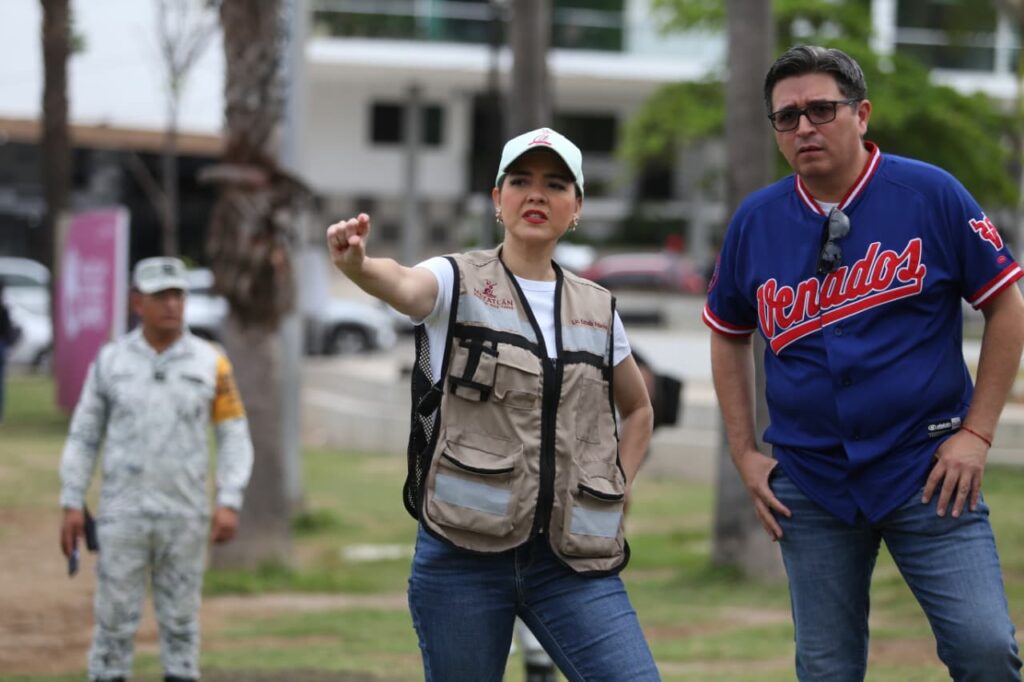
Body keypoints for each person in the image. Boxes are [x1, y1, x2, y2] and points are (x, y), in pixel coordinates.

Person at [704, 44, 1024, 680]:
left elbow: (1007, 306)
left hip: (928, 467)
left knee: (985, 648)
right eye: (787, 117)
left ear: (862, 114)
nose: (804, 127)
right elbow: (726, 332)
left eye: (821, 110)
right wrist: (743, 451)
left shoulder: (930, 193)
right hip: (811, 478)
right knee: (827, 669)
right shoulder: (756, 220)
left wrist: (977, 434)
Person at [327, 127, 660, 682]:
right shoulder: (455, 279)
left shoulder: (598, 308)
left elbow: (639, 409)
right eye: (521, 181)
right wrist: (358, 265)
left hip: (571, 561)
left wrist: (618, 484)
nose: (537, 195)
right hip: (462, 557)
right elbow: (404, 285)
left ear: (577, 207)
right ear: (497, 199)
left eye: (556, 185)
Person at [59, 256, 254, 682]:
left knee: (182, 628)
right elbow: (84, 435)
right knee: (112, 627)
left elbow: (234, 434)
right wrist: (72, 499)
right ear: (137, 302)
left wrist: (229, 499)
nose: (171, 304)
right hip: (122, 516)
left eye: (178, 295)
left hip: (184, 516)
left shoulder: (211, 361)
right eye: (160, 296)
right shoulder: (110, 361)